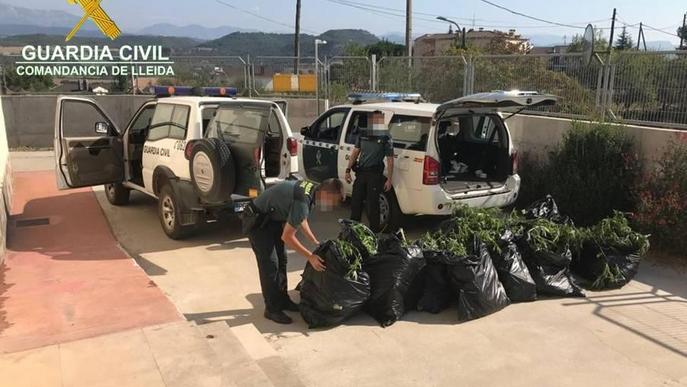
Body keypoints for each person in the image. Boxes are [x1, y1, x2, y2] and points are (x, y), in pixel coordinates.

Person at [244, 178, 344, 324]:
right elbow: (287, 237)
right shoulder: (304, 201)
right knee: (271, 265)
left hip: (272, 220)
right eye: (333, 201)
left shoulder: (312, 189)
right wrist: (310, 256)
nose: (332, 205)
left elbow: (300, 219)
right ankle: (271, 309)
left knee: (282, 260)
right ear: (326, 194)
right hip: (257, 220)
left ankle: (283, 300)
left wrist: (313, 240)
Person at [344, 111, 394, 233]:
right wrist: (348, 170)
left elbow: (390, 159)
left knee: (372, 205)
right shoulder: (363, 133)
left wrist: (389, 179)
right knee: (356, 202)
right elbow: (355, 153)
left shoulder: (385, 137)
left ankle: (374, 233)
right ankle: (353, 231)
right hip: (361, 173)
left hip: (375, 174)